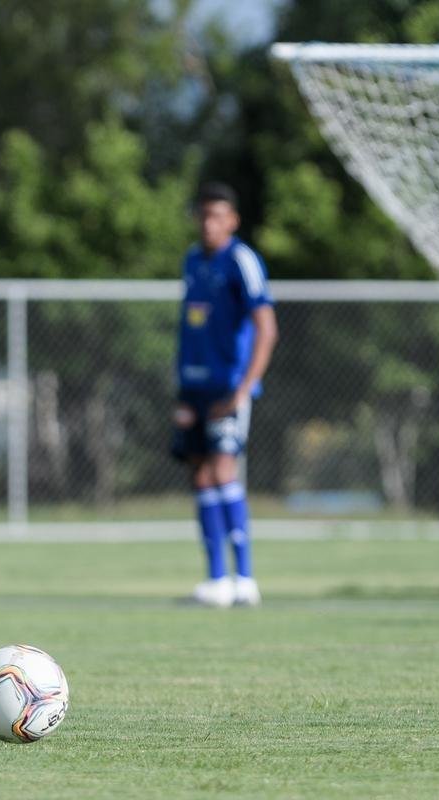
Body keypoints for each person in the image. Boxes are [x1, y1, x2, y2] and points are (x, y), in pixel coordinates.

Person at [171, 182, 278, 608]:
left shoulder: (242, 260)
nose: (209, 223)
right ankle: (216, 579)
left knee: (223, 470)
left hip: (228, 387)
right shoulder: (193, 260)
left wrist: (244, 388)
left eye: (218, 216)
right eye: (203, 215)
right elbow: (191, 327)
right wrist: (180, 389)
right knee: (199, 475)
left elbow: (266, 327)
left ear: (232, 220)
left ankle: (245, 577)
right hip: (193, 388)